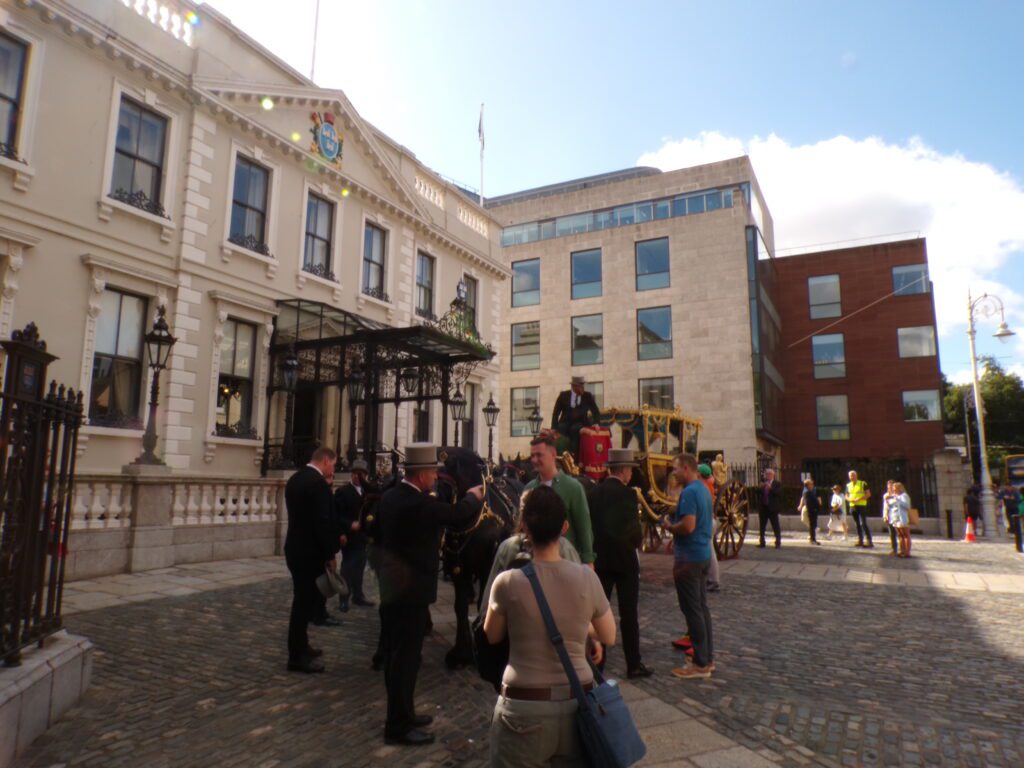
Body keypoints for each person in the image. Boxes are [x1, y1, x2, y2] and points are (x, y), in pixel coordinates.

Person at [483, 486, 616, 767]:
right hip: (578, 702)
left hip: (523, 705)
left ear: (523, 527)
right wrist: (581, 628)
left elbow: (492, 635)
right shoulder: (586, 578)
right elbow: (608, 635)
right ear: (565, 527)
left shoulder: (507, 582)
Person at [378, 443, 484, 746]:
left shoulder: (390, 497)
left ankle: (404, 713)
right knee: (404, 660)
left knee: (399, 656)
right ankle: (397, 726)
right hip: (410, 594)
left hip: (393, 588)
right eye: (433, 473)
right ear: (422, 474)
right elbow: (456, 515)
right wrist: (473, 496)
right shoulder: (419, 503)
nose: (436, 478)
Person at [588, 448, 651, 679]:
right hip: (625, 563)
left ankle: (598, 661)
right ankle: (633, 663)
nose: (631, 475)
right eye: (630, 470)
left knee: (598, 614)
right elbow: (634, 533)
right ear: (623, 470)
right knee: (628, 614)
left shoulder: (594, 493)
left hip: (601, 562)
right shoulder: (628, 495)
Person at [283, 447, 341, 673]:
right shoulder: (317, 484)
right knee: (302, 605)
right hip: (310, 552)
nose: (334, 469)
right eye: (334, 464)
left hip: (295, 549)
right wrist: (330, 554)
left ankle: (302, 646)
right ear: (325, 461)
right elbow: (322, 522)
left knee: (303, 601)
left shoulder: (295, 479)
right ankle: (296, 656)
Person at [662, 453, 715, 680]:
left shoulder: (690, 492)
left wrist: (669, 527)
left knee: (692, 610)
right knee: (701, 608)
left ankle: (700, 663)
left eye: (675, 468)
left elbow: (688, 525)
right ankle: (707, 657)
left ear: (686, 468)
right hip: (702, 555)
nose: (673, 472)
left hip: (689, 558)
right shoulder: (703, 489)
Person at [523, 432, 596, 566]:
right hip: (535, 563)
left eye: (539, 455)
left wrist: (588, 561)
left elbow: (584, 526)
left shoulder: (573, 488)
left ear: (553, 455)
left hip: (567, 561)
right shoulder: (529, 488)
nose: (534, 460)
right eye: (532, 456)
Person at [334, 459, 375, 611]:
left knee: (360, 567)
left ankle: (358, 596)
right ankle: (344, 597)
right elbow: (336, 515)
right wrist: (346, 528)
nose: (358, 477)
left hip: (363, 537)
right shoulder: (343, 492)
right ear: (351, 475)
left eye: (361, 474)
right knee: (348, 568)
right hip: (349, 537)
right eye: (355, 474)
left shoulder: (367, 492)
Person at [550, 375, 601, 458]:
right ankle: (560, 455)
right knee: (560, 429)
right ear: (574, 386)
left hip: (581, 423)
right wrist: (554, 428)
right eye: (580, 386)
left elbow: (596, 412)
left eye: (583, 385)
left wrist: (596, 423)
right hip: (566, 422)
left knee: (575, 429)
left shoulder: (587, 396)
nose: (583, 388)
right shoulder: (563, 396)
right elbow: (556, 413)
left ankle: (574, 455)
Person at [698, 464, 721, 591]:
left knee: (710, 551)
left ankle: (713, 580)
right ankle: (711, 578)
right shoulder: (708, 486)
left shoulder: (704, 487)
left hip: (706, 521)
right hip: (709, 520)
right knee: (709, 550)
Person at [845, 471, 874, 548]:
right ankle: (860, 540)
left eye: (853, 475)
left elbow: (868, 494)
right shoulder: (848, 485)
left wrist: (859, 499)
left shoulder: (862, 483)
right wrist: (849, 499)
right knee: (857, 524)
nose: (852, 477)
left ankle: (869, 541)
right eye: (851, 476)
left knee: (863, 523)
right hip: (853, 506)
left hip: (861, 506)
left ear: (856, 475)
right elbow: (846, 496)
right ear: (849, 477)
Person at [758, 468, 783, 548]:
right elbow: (758, 493)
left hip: (772, 508)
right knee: (762, 526)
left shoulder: (777, 483)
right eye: (767, 474)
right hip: (764, 507)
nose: (768, 476)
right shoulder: (763, 483)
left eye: (769, 474)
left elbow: (778, 493)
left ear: (773, 475)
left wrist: (770, 488)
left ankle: (778, 542)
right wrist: (760, 487)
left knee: (775, 526)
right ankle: (762, 542)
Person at [889, 482, 912, 557]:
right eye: (893, 489)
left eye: (895, 489)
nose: (894, 490)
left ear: (900, 489)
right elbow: (891, 506)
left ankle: (907, 552)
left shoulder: (904, 496)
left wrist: (898, 500)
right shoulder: (894, 496)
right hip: (895, 517)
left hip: (902, 517)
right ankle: (902, 550)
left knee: (905, 534)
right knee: (900, 535)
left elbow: (907, 506)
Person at [997, 483, 1022, 552]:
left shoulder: (1015, 492)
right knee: (1009, 520)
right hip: (1007, 508)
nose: (1008, 488)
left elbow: (1019, 500)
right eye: (1007, 487)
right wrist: (1004, 497)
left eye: (1009, 487)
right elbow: (999, 496)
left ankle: (1015, 531)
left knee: (1015, 520)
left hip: (1015, 508)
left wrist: (1012, 499)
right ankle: (1011, 530)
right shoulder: (1004, 492)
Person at [797, 478, 822, 545]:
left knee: (813, 525)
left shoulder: (810, 492)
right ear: (808, 485)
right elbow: (808, 502)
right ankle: (812, 539)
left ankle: (813, 538)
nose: (812, 485)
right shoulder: (807, 492)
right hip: (812, 510)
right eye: (811, 484)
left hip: (814, 510)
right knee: (812, 525)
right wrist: (813, 509)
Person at [881, 480, 898, 555]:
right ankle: (894, 549)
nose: (890, 487)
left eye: (891, 485)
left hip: (896, 515)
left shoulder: (897, 495)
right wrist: (884, 515)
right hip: (889, 516)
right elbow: (885, 507)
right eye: (889, 486)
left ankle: (903, 549)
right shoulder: (885, 495)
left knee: (900, 533)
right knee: (892, 533)